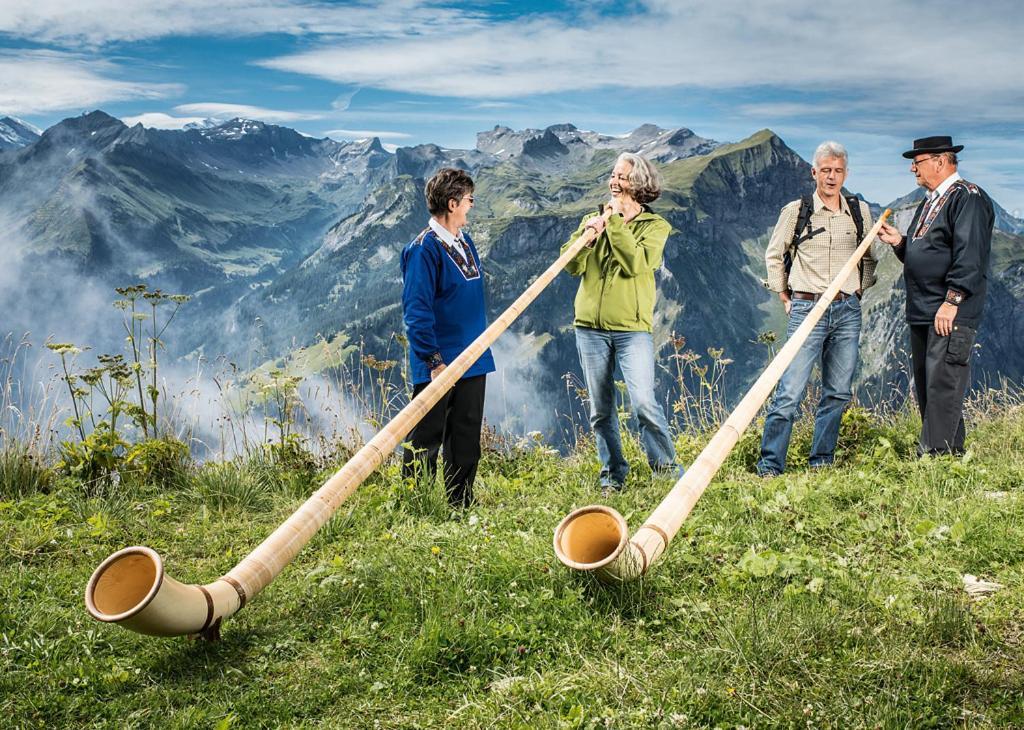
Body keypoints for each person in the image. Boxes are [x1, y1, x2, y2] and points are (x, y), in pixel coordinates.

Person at [757, 141, 879, 477]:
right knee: (790, 392)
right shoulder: (796, 211)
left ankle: (821, 461)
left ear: (846, 174)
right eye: (825, 170)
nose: (831, 176)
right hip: (807, 307)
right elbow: (773, 254)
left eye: (838, 171)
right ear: (814, 173)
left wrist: (857, 290)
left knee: (838, 391)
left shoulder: (859, 211)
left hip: (846, 311)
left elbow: (870, 254)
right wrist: (784, 295)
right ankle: (770, 465)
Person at [560, 152, 678, 491]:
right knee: (601, 409)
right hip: (590, 328)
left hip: (631, 330)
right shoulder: (592, 219)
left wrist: (613, 223)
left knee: (643, 402)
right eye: (613, 175)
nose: (615, 181)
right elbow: (571, 265)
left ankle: (666, 471)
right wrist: (587, 237)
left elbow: (635, 264)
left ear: (639, 184)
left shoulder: (655, 227)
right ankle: (613, 475)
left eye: (623, 177)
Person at [878, 136, 993, 456]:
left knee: (943, 384)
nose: (913, 168)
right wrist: (900, 243)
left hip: (948, 311)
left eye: (919, 160)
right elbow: (928, 251)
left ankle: (933, 457)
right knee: (931, 386)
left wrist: (952, 300)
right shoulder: (931, 200)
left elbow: (969, 255)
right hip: (923, 309)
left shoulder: (967, 198)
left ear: (941, 161)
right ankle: (950, 456)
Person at [400, 167, 495, 507]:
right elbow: (417, 310)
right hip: (440, 361)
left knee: (466, 435)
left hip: (472, 356)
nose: (472, 205)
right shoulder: (424, 250)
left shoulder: (465, 242)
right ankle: (416, 503)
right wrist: (434, 360)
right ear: (453, 203)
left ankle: (461, 501)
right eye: (469, 200)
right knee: (427, 435)